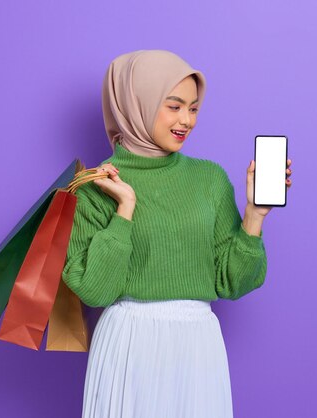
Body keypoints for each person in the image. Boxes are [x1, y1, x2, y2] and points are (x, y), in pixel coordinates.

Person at [61, 49, 293, 418]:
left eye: (194, 108)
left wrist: (254, 215)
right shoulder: (94, 185)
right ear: (135, 103)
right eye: (174, 106)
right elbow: (95, 290)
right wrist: (125, 210)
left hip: (197, 345)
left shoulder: (209, 178)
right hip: (128, 346)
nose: (187, 120)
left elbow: (232, 283)